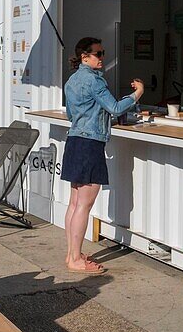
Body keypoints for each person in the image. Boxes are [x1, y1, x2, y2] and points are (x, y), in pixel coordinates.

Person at [60, 37, 143, 274]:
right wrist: (137, 93)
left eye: (103, 53)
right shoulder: (95, 81)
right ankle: (76, 259)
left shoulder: (72, 80)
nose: (102, 58)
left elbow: (70, 115)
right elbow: (115, 108)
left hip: (75, 140)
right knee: (84, 205)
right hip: (90, 143)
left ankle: (71, 253)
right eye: (98, 54)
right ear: (85, 57)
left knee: (75, 202)